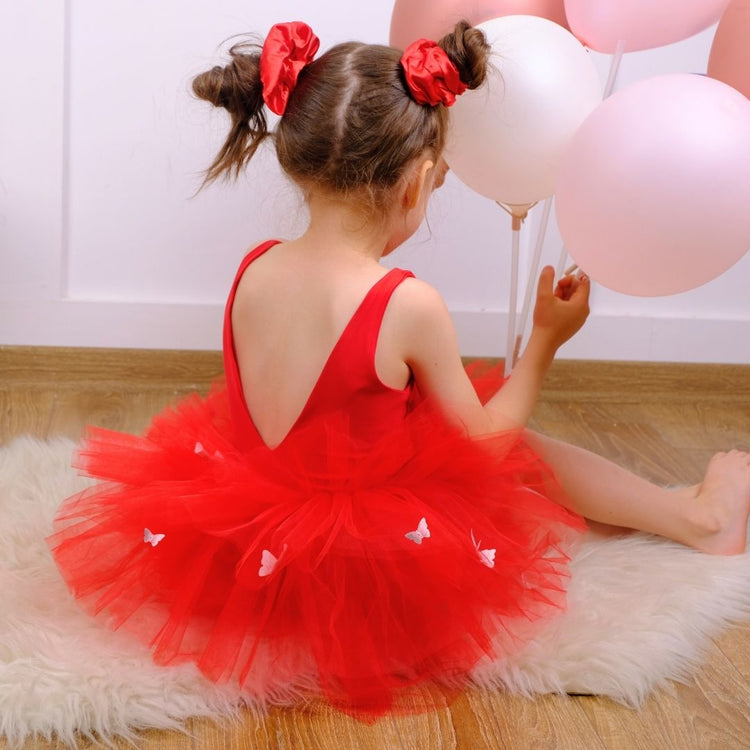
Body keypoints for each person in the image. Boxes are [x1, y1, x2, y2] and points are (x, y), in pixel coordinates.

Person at [48, 20, 750, 718]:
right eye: (438, 181)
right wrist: (544, 342)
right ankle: (696, 518)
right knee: (520, 452)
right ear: (416, 182)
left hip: (252, 537)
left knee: (436, 419)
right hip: (360, 563)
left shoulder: (253, 268)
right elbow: (486, 446)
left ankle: (681, 513)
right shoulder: (405, 303)